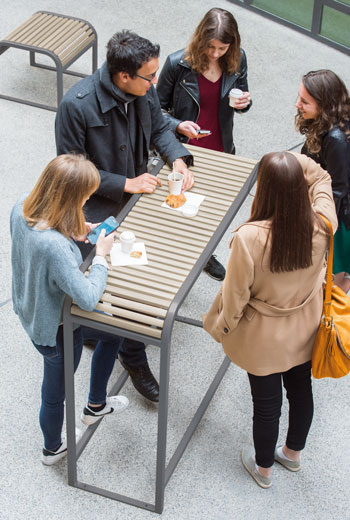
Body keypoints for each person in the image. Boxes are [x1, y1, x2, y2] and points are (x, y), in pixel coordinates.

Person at [55, 30, 194, 403]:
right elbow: (71, 173)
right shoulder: (76, 106)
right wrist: (126, 183)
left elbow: (161, 128)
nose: (155, 84)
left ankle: (103, 333)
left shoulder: (141, 91)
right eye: (149, 77)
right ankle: (132, 356)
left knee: (141, 268)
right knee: (122, 280)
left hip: (137, 199)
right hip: (97, 210)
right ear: (124, 77)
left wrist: (177, 158)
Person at [203, 151, 337, 488]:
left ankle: (263, 470)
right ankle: (292, 454)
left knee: (266, 405)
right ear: (298, 189)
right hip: (304, 327)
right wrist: (289, 163)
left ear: (265, 191)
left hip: (262, 338)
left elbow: (235, 298)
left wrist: (222, 329)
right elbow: (322, 177)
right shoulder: (323, 223)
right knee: (300, 391)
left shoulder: (249, 239)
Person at [10, 154, 129, 466]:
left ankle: (96, 404)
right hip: (57, 331)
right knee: (55, 394)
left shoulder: (23, 205)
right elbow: (88, 297)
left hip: (31, 309)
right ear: (69, 197)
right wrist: (101, 256)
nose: (89, 199)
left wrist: (75, 229)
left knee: (114, 333)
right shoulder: (55, 248)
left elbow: (41, 247)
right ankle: (52, 449)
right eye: (85, 197)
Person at [156, 7, 252, 281]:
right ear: (201, 40)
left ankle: (204, 255)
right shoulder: (178, 64)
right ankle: (174, 258)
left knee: (210, 210)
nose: (215, 54)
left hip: (221, 148)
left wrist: (245, 103)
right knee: (179, 206)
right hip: (183, 149)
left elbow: (241, 98)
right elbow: (154, 109)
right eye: (210, 47)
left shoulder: (238, 59)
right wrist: (177, 125)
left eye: (222, 48)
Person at [295, 69, 350, 293]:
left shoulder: (335, 139)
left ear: (324, 105)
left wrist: (319, 226)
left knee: (334, 274)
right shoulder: (326, 124)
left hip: (338, 218)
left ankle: (330, 316)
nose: (297, 104)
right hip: (332, 209)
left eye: (304, 101)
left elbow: (337, 188)